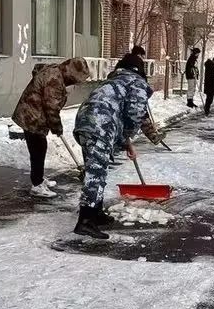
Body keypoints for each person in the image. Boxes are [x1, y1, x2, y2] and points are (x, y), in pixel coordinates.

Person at [72, 52, 160, 239]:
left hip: (86, 122)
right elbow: (136, 113)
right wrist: (127, 136)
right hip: (100, 124)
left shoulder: (114, 81)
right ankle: (85, 220)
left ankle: (96, 213)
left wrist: (125, 141)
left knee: (96, 169)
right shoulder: (136, 82)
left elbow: (122, 111)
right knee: (96, 173)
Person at [11, 57, 90, 199]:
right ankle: (37, 185)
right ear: (71, 73)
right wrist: (57, 127)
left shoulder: (56, 71)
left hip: (33, 113)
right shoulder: (55, 81)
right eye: (76, 79)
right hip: (31, 116)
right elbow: (51, 108)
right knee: (38, 150)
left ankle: (39, 178)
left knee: (39, 147)